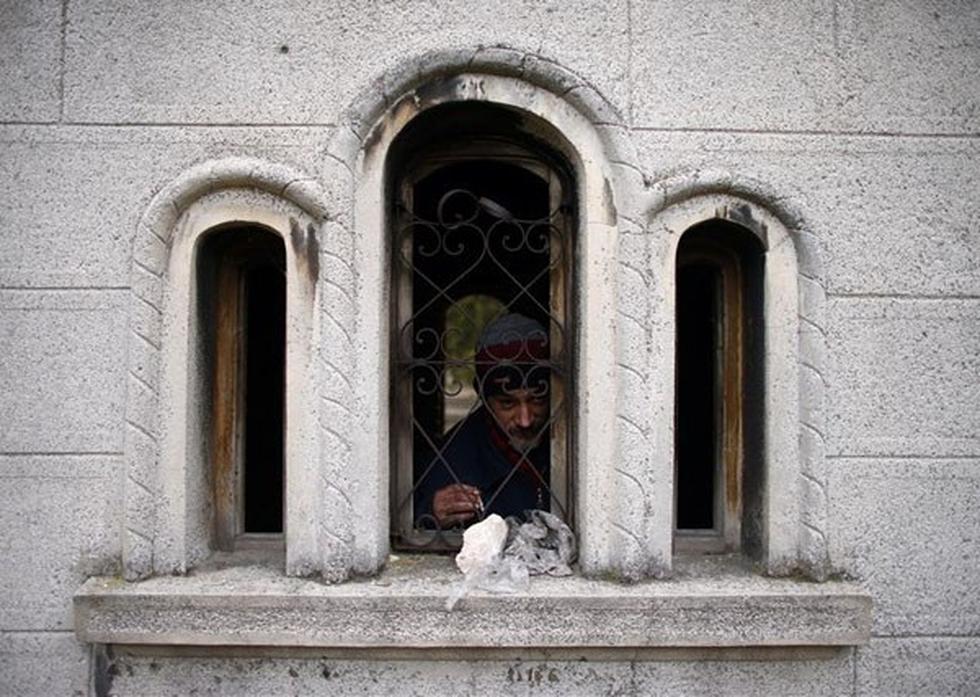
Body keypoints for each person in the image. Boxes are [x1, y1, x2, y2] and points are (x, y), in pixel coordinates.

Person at [417, 313, 552, 529]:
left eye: (538, 399)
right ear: (485, 399)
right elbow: (413, 522)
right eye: (507, 404)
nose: (525, 420)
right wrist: (430, 512)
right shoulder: (451, 459)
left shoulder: (575, 443)